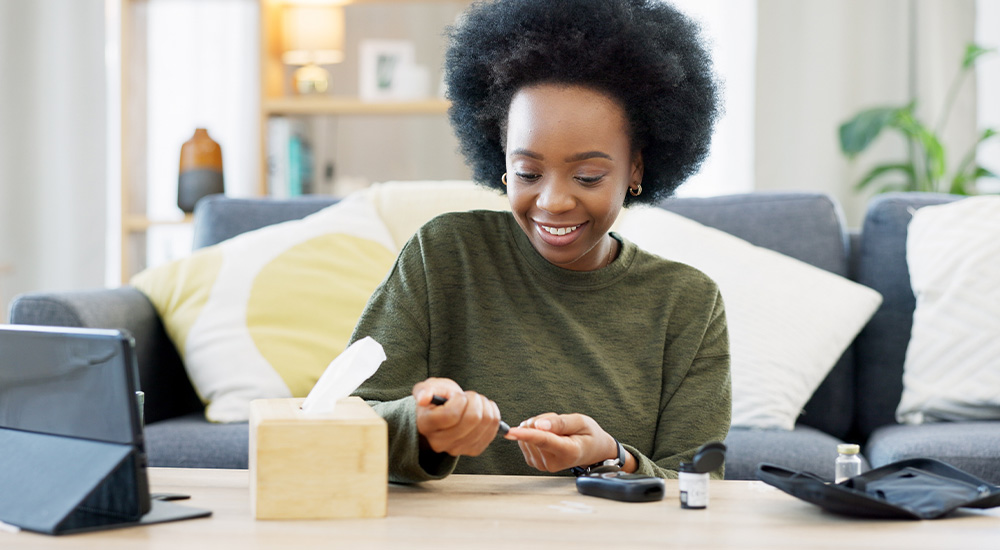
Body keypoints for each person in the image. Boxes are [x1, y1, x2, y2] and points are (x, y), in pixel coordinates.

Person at [350, 0, 730, 483]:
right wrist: (423, 429)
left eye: (588, 176)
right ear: (501, 159)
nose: (552, 201)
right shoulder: (443, 255)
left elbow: (698, 485)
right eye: (528, 172)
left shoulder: (688, 304)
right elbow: (344, 422)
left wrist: (612, 457)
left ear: (635, 168)